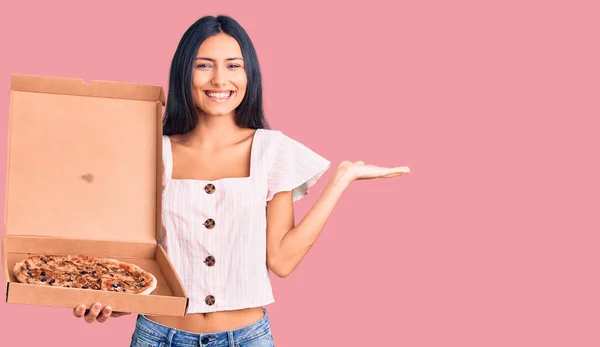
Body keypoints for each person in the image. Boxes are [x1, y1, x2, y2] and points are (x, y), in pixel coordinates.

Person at [72, 15, 409, 346]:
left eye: (233, 65)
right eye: (204, 65)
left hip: (246, 338)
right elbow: (135, 255)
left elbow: (281, 260)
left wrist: (341, 180)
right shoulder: (151, 152)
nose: (220, 79)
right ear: (183, 73)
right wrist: (114, 302)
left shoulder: (272, 151)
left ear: (250, 74)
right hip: (159, 335)